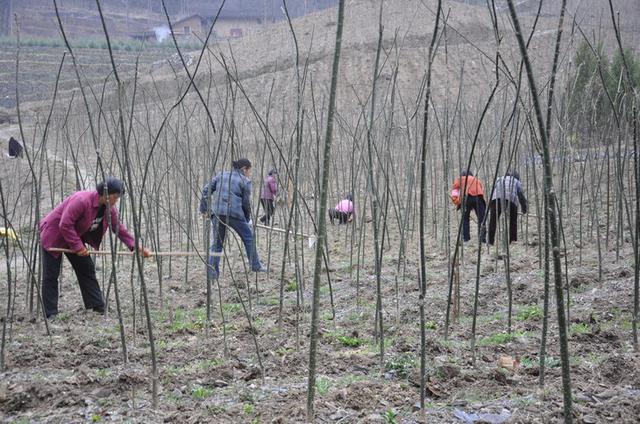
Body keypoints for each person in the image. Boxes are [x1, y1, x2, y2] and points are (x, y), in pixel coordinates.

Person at [39, 177, 150, 319]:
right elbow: (65, 224)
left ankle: (97, 305)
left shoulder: (109, 209)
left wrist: (137, 247)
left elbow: (118, 228)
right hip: (54, 235)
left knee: (86, 268)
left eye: (118, 198)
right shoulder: (82, 200)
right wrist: (78, 247)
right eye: (115, 197)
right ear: (105, 193)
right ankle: (50, 314)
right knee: (51, 275)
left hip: (73, 238)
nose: (116, 201)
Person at [200, 158, 267, 279]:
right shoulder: (245, 181)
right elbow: (245, 203)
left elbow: (206, 190)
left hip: (217, 214)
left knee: (216, 244)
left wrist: (204, 210)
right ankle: (255, 265)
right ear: (244, 169)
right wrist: (247, 219)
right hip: (234, 214)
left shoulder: (221, 175)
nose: (249, 174)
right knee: (249, 238)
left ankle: (212, 274)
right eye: (249, 171)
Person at [488, 171, 528, 245]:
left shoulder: (499, 179)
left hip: (496, 198)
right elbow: (521, 196)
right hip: (511, 199)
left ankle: (490, 241)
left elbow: (493, 191)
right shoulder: (516, 181)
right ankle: (513, 240)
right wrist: (524, 209)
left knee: (493, 221)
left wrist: (490, 205)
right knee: (513, 221)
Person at [451, 170, 486, 243]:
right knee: (481, 219)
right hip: (478, 199)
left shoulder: (460, 179)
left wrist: (456, 202)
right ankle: (482, 238)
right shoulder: (476, 180)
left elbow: (455, 191)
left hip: (466, 198)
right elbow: (481, 191)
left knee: (465, 219)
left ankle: (466, 238)